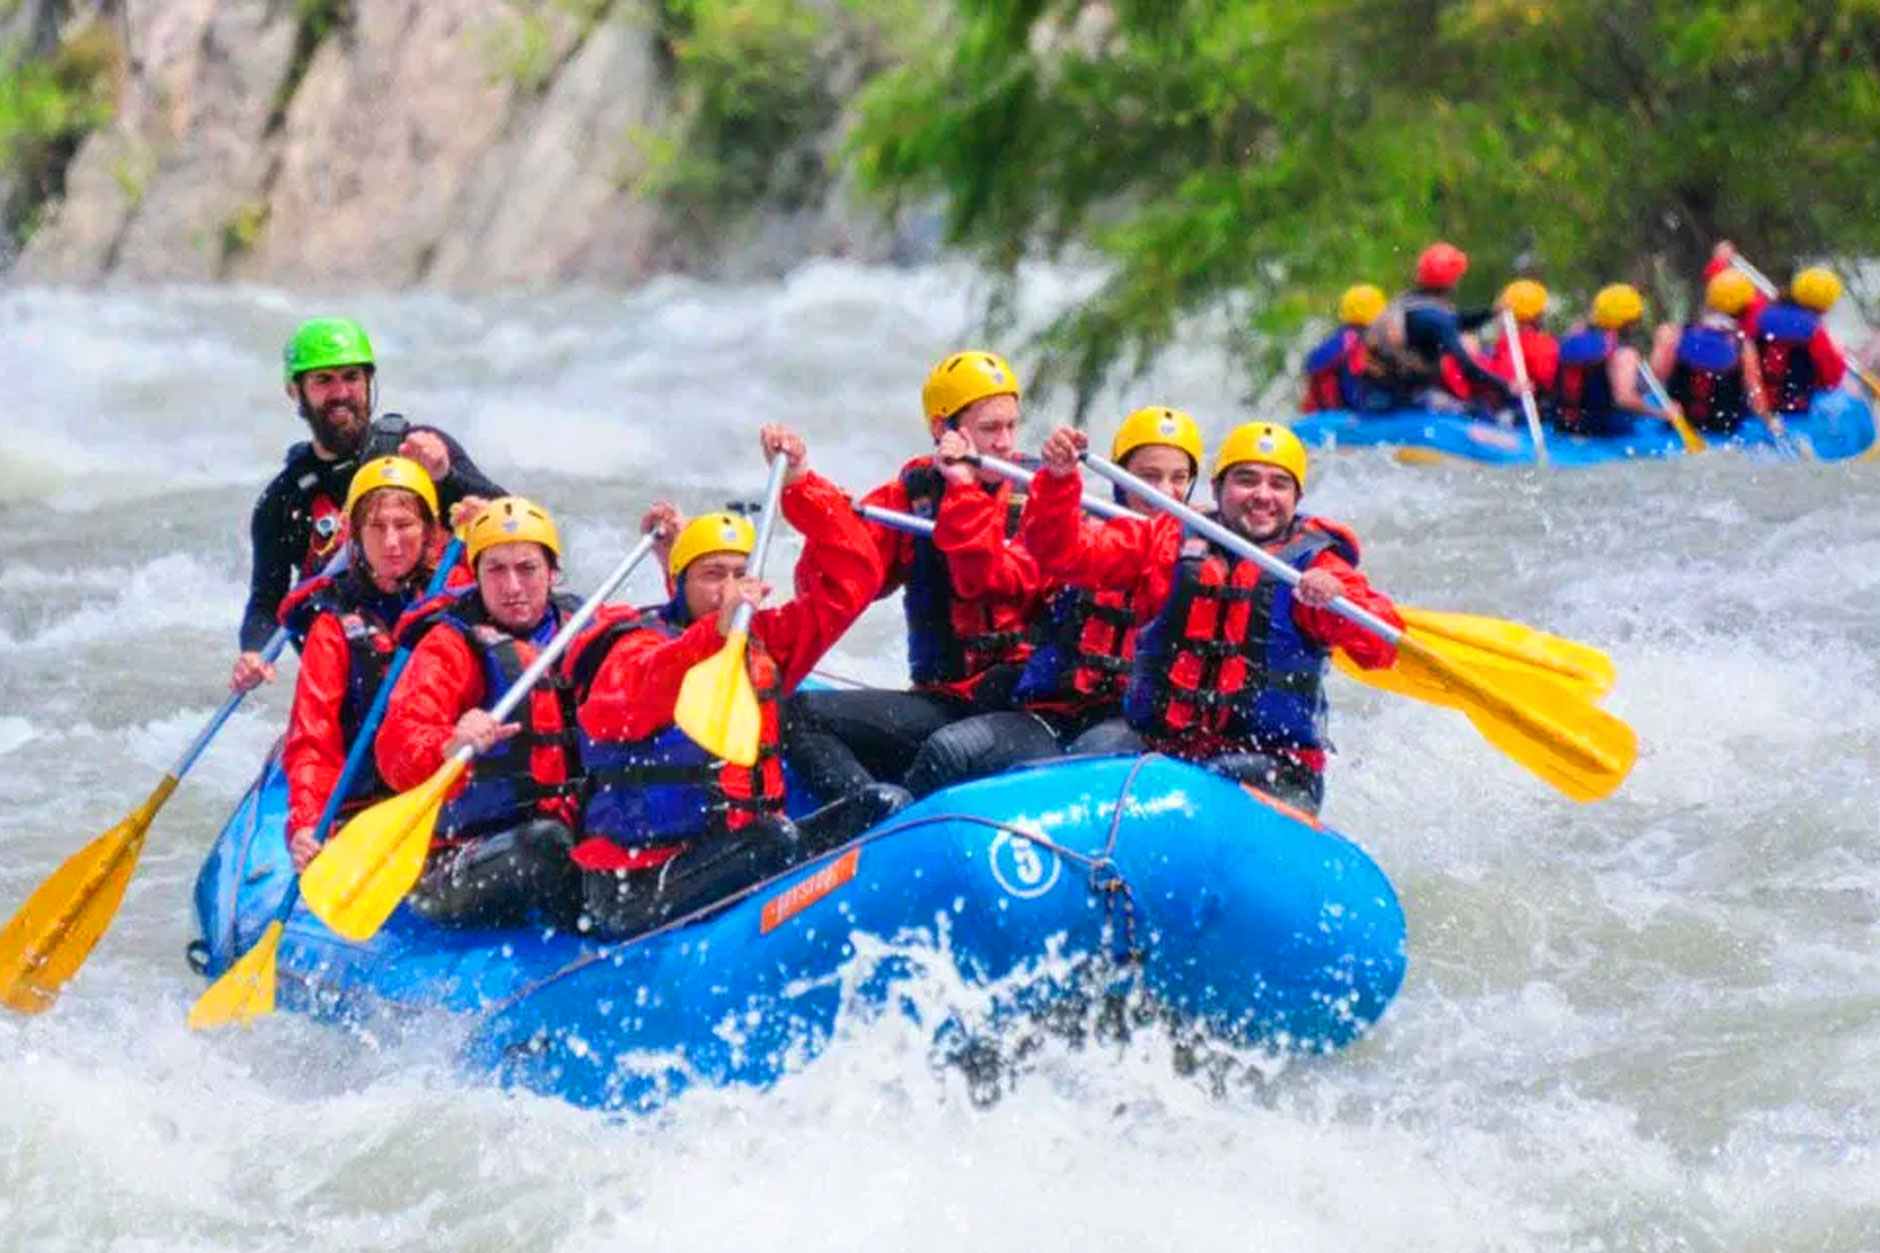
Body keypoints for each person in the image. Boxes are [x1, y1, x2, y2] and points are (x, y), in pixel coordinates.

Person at [567, 424, 905, 938]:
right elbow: (627, 706)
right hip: (637, 884)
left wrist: (800, 484)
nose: (728, 588)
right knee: (774, 840)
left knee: (884, 807)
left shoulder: (765, 643)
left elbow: (854, 581)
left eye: (737, 573)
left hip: (744, 854)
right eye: (711, 575)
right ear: (679, 583)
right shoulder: (635, 647)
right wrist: (712, 634)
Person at [1022, 421, 1401, 814]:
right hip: (1165, 752)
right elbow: (1063, 554)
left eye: (1278, 484)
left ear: (1297, 496)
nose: (1262, 495)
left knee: (1215, 778)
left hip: (1274, 765)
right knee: (1085, 761)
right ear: (1218, 489)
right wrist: (1059, 481)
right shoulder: (1168, 541)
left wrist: (1337, 600)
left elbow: (1382, 647)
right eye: (1247, 480)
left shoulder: (1317, 567)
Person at [898, 406, 1205, 796]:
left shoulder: (1205, 553)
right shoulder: (1082, 534)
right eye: (1147, 477)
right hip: (1052, 713)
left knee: (1072, 768)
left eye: (1178, 479)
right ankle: (877, 838)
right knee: (949, 750)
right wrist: (1054, 479)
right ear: (1120, 479)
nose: (1163, 492)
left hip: (1130, 726)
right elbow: (1013, 567)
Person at [785, 350, 1051, 789]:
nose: (1004, 442)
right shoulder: (914, 498)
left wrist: (965, 492)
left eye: (1011, 426)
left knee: (949, 750)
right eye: (989, 429)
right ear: (941, 429)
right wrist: (808, 493)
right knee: (799, 716)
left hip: (1023, 708)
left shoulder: (1046, 497)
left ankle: (899, 821)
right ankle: (869, 816)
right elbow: (838, 577)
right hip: (945, 700)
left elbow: (986, 577)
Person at [230, 317, 507, 694]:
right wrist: (253, 653)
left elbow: (514, 528)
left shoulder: (420, 450)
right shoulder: (284, 499)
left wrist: (446, 477)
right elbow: (266, 603)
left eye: (351, 377)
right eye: (323, 380)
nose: (341, 392)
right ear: (296, 391)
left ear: (368, 383)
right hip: (359, 678)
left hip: (444, 658)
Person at [375, 497, 585, 929]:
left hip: (566, 831)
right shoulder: (449, 647)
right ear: (476, 575)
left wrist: (676, 569)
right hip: (459, 857)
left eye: (527, 569)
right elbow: (396, 749)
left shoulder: (584, 628)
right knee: (545, 846)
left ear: (552, 573)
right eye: (495, 570)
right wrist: (448, 744)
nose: (512, 587)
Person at [279, 457, 451, 871]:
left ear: (429, 530)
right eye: (376, 527)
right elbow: (312, 735)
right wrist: (305, 823)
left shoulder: (461, 599)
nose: (392, 541)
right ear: (354, 534)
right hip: (366, 807)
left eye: (405, 525)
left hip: (446, 803)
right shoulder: (334, 624)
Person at [1363, 242, 1514, 411]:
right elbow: (1467, 367)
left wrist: (1491, 312)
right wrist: (1507, 386)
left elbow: (1456, 322)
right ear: (1452, 282)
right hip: (1409, 397)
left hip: (1374, 393)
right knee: (1474, 411)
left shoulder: (1408, 303)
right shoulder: (1437, 319)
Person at [1650, 270, 1780, 438]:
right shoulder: (1743, 346)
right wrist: (1770, 422)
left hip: (1677, 429)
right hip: (1724, 432)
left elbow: (1654, 380)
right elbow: (1756, 395)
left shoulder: (1673, 334)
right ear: (1745, 308)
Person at [1550, 284, 1660, 437]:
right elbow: (1625, 399)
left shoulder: (1571, 340)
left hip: (1563, 429)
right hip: (1607, 434)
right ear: (1632, 319)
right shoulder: (1624, 353)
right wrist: (1661, 413)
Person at [1751, 267, 1848, 415]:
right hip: (1794, 407)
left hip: (1756, 402)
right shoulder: (1815, 331)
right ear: (1826, 305)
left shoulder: (1762, 314)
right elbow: (1831, 380)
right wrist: (1840, 355)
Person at [1301, 285, 1385, 413]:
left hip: (1336, 411)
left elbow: (1311, 364)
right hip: (1364, 409)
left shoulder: (1339, 338)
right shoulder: (1376, 340)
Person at [1483, 279, 1559, 394]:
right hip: (1543, 402)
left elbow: (1502, 377)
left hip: (1521, 403)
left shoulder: (1508, 343)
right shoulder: (1547, 343)